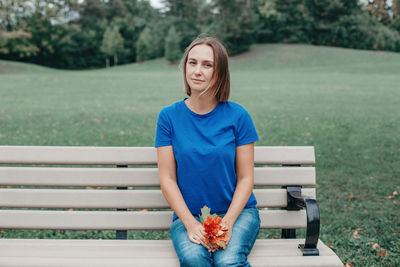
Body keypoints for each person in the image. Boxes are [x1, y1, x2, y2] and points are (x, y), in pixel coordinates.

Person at [155, 36, 260, 267]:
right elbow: (167, 179)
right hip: (189, 217)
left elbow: (245, 178)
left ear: (220, 72)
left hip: (237, 214)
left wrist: (228, 223)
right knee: (194, 259)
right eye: (192, 63)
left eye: (207, 65)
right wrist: (192, 225)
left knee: (228, 260)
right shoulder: (168, 117)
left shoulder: (238, 116)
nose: (197, 71)